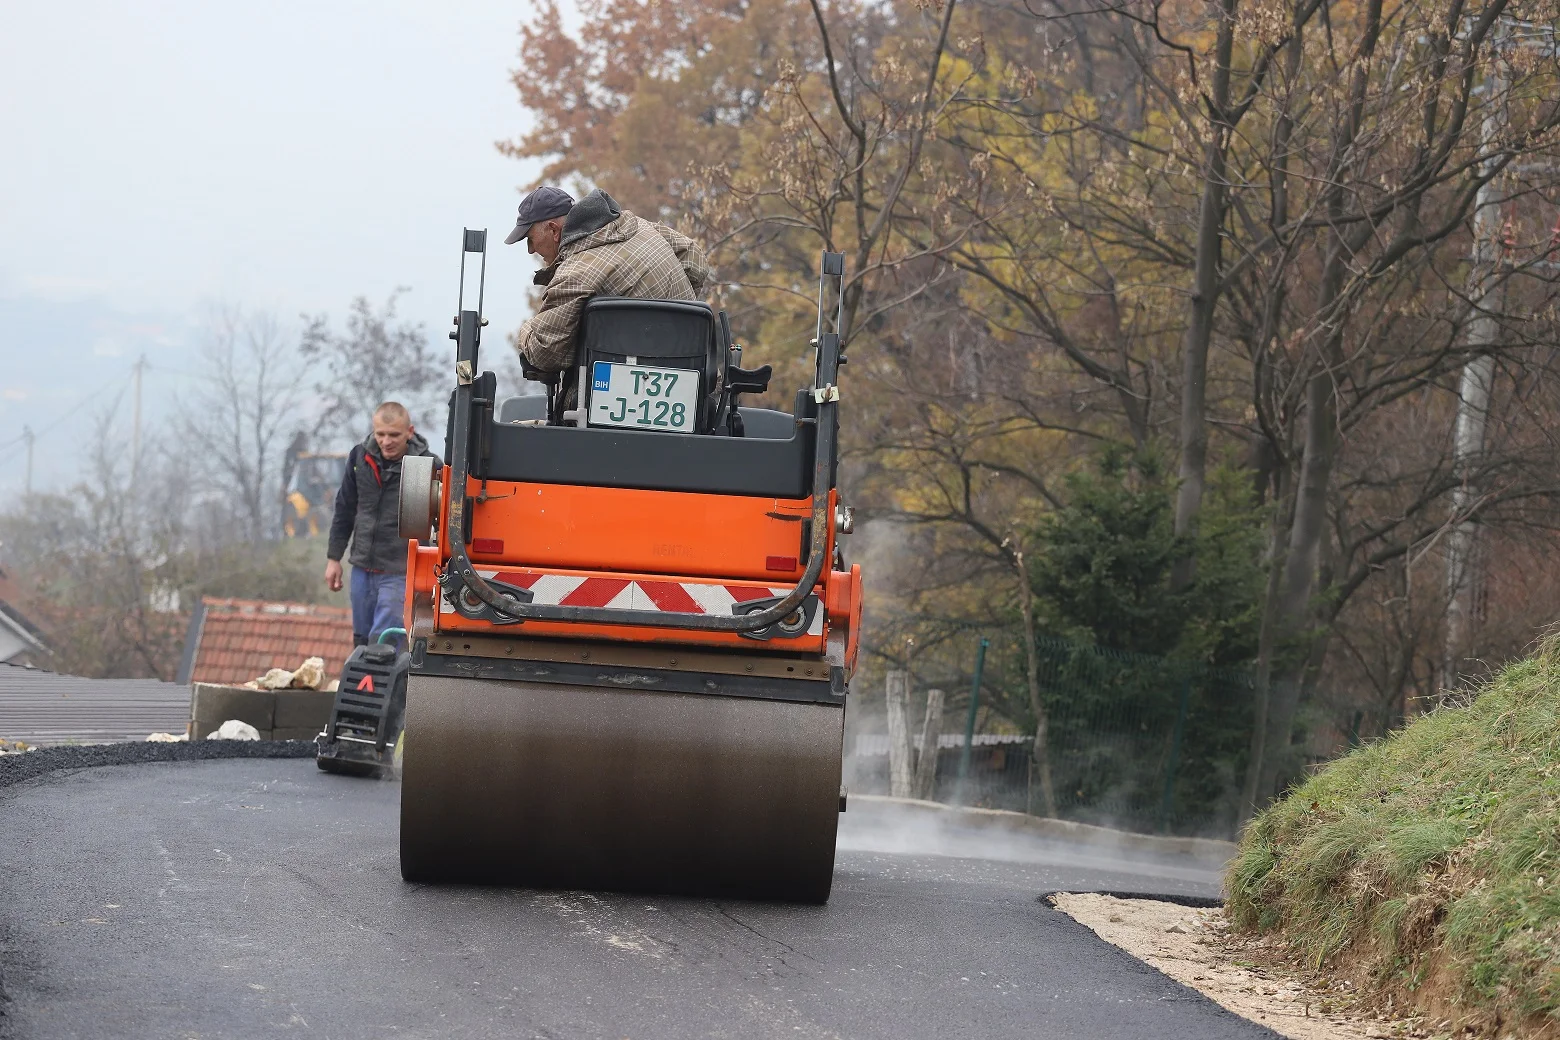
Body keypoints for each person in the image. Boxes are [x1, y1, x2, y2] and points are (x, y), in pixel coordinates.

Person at [506, 185, 710, 405]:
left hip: (606, 404)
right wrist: (674, 311)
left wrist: (526, 329)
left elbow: (545, 352)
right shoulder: (638, 225)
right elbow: (694, 259)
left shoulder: (575, 274)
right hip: (690, 389)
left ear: (554, 231)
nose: (530, 249)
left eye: (530, 239)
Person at [325, 402, 439, 646]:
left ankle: (385, 671)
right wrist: (334, 558)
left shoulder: (429, 466)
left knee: (385, 639)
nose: (386, 441)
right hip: (362, 567)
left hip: (401, 571)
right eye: (381, 434)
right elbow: (344, 508)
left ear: (409, 432)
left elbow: (445, 521)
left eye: (394, 435)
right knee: (361, 637)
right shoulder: (359, 457)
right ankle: (362, 671)